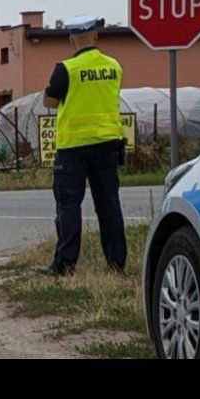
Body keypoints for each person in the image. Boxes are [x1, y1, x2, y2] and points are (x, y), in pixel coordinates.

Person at [38, 15, 128, 277]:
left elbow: (50, 102)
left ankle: (65, 265)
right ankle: (116, 264)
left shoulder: (66, 68)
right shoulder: (114, 66)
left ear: (71, 40)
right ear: (96, 37)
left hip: (73, 146)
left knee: (68, 205)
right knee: (109, 205)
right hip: (107, 143)